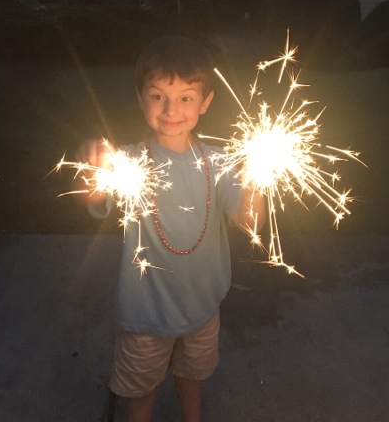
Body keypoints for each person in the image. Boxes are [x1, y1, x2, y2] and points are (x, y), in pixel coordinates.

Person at [74, 35, 266, 422]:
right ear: (140, 97)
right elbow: (93, 198)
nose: (171, 109)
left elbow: (249, 222)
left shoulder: (221, 163)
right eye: (158, 95)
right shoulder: (127, 161)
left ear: (205, 102)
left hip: (202, 309)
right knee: (141, 394)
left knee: (191, 379)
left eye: (186, 97)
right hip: (145, 315)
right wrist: (90, 167)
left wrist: (257, 179)